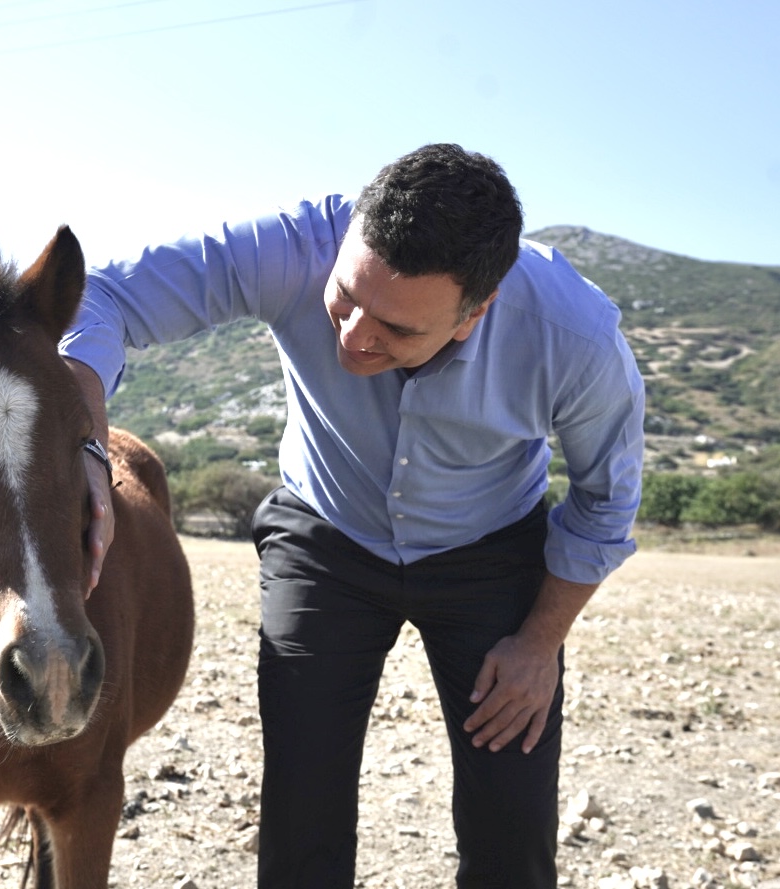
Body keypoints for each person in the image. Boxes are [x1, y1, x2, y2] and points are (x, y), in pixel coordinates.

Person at [60, 143, 644, 889]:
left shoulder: (576, 337)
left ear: (476, 312)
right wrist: (83, 433)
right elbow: (103, 295)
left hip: (491, 551)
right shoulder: (294, 247)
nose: (353, 336)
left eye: (397, 330)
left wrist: (540, 641)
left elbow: (605, 501)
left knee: (513, 818)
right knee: (303, 797)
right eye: (344, 297)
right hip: (325, 537)